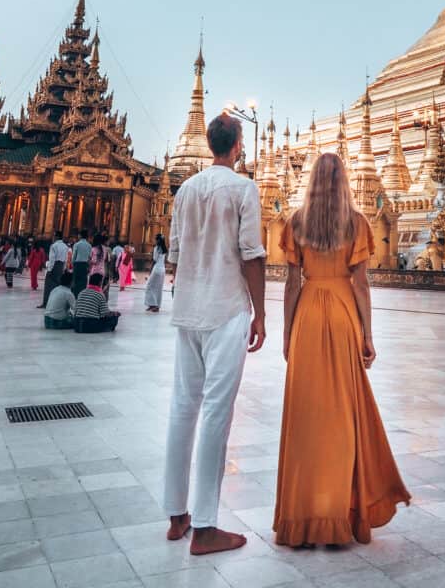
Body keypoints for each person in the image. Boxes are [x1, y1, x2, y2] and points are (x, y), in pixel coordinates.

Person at [274, 153, 410, 547]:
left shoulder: (297, 221)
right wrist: (367, 334)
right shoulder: (357, 222)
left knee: (305, 417)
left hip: (307, 318)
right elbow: (362, 284)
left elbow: (291, 283)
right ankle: (341, 513)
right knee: (343, 414)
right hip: (343, 313)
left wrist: (287, 331)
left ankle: (302, 521)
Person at [163, 113, 266, 557]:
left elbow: (174, 253)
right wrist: (260, 312)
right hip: (225, 311)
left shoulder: (185, 190)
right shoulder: (243, 189)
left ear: (209, 145)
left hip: (188, 310)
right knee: (216, 415)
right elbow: (252, 256)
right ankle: (204, 525)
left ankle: (176, 515)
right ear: (238, 144)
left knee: (183, 408)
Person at [39, 231, 69, 308]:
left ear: (57, 237)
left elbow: (52, 259)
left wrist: (49, 270)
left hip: (54, 266)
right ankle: (55, 303)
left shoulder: (54, 246)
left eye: (54, 236)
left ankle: (46, 303)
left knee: (48, 286)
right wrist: (64, 268)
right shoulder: (65, 246)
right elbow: (66, 259)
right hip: (61, 266)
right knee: (57, 286)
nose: (53, 237)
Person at [145, 234, 168, 312]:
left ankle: (152, 304)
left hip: (157, 269)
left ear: (158, 240)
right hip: (162, 269)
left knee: (149, 286)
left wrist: (150, 270)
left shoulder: (156, 248)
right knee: (158, 288)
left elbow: (154, 260)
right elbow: (164, 261)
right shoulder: (164, 249)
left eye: (155, 239)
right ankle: (156, 306)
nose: (155, 240)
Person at [71, 229, 92, 297]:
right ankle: (81, 296)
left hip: (77, 264)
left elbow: (74, 256)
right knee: (83, 282)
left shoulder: (77, 244)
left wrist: (72, 264)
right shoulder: (89, 245)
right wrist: (89, 267)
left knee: (76, 281)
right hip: (85, 265)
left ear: (80, 235)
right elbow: (90, 257)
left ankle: (75, 295)